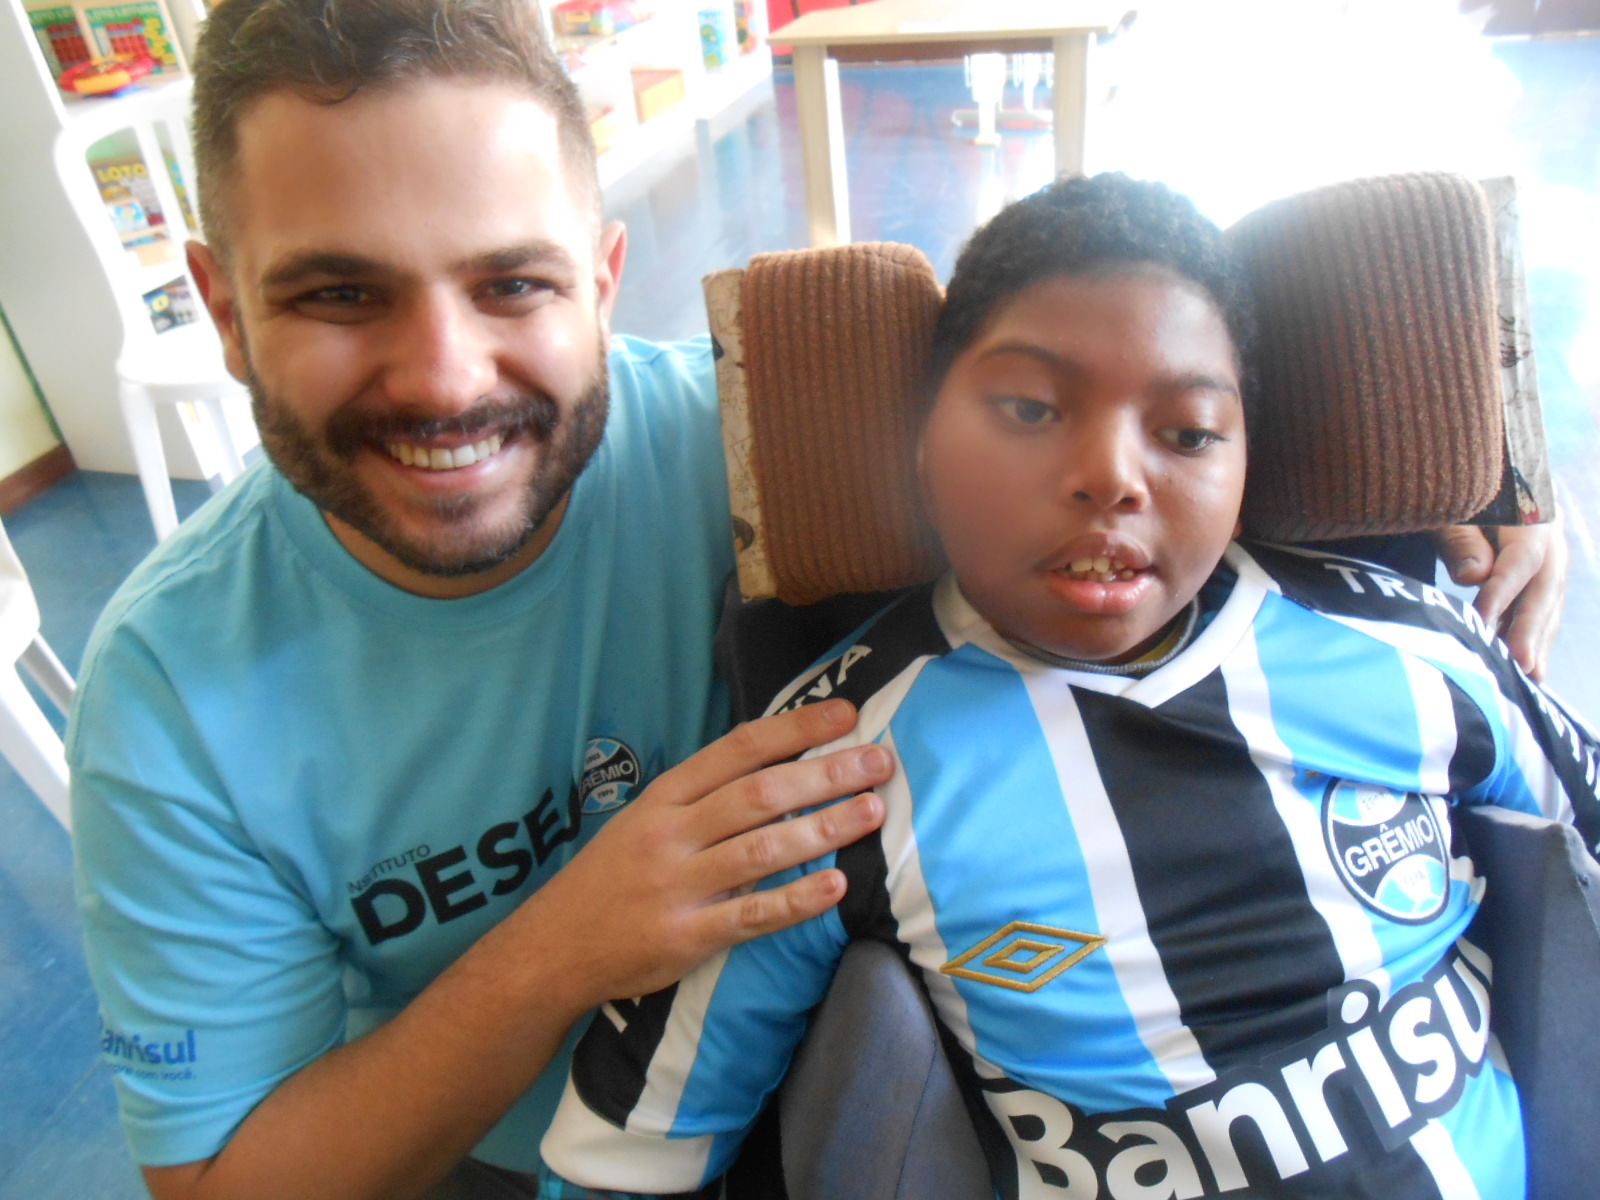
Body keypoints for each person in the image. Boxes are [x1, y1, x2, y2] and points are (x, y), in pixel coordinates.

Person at [540, 174, 1600, 1199]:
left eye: (1186, 432)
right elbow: (633, 1149)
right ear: (918, 446)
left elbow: (1576, 855)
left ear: (1245, 460)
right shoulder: (833, 769)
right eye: (1029, 409)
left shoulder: (1411, 644)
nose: (1112, 476)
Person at [67, 3, 896, 1199]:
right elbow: (221, 1178)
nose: (447, 380)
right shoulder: (169, 702)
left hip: (840, 1082)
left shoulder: (762, 450)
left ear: (602, 283)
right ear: (226, 312)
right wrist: (559, 949)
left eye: (512, 283)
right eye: (341, 296)